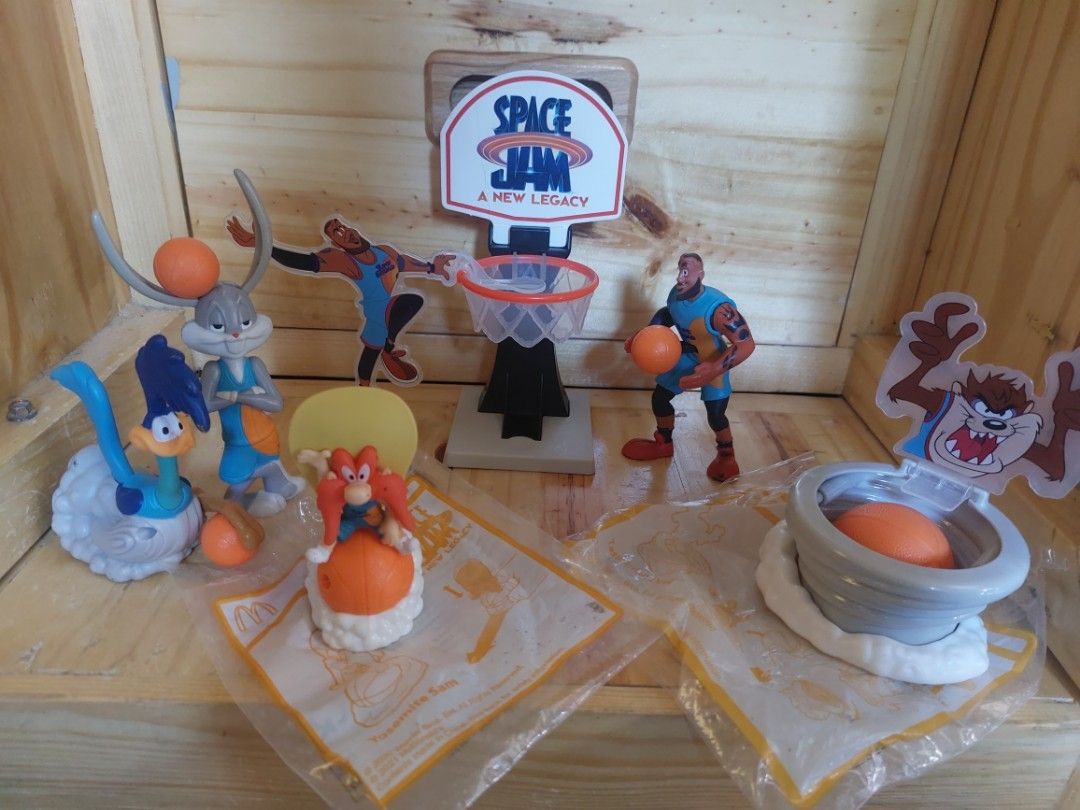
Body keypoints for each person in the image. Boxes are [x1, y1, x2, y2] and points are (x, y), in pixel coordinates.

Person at [227, 215, 452, 386]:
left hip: (391, 308)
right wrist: (264, 246)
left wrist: (433, 268)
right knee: (371, 354)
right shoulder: (344, 261)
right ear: (337, 244)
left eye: (343, 226)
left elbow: (404, 263)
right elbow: (301, 262)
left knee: (409, 303)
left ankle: (387, 349)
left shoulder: (385, 251)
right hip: (376, 313)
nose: (345, 232)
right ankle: (370, 379)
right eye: (337, 232)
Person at [622, 252, 756, 482]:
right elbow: (668, 314)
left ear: (700, 275)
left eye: (686, 272)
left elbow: (746, 344)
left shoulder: (719, 310)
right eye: (679, 270)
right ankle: (663, 443)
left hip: (714, 360)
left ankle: (727, 456)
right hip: (686, 356)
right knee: (660, 398)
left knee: (715, 414)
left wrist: (714, 369)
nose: (680, 278)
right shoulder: (675, 296)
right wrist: (646, 335)